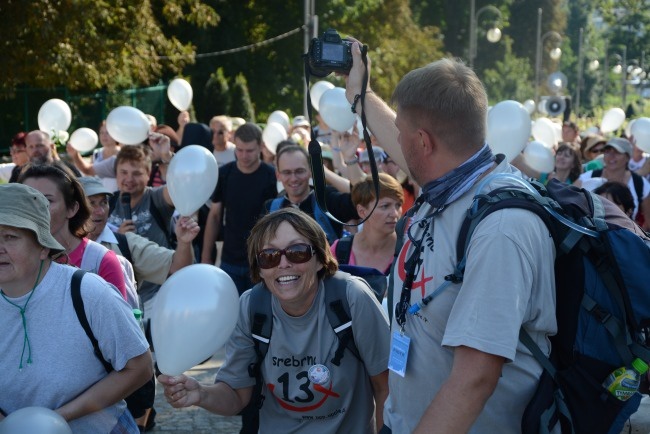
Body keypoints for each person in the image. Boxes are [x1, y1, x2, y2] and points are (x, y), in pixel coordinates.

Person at [344, 40, 557, 433]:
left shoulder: (501, 228)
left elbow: (474, 380)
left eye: (402, 132)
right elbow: (409, 144)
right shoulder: (451, 184)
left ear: (423, 142)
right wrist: (361, 94)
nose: (396, 143)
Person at [159, 207, 390, 433]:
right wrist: (200, 393)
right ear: (259, 269)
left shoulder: (351, 298)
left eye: (297, 251)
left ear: (320, 259)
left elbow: (385, 386)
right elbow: (237, 395)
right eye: (269, 256)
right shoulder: (251, 307)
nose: (283, 264)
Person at [0, 183, 152, 432]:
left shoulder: (88, 292)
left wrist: (57, 418)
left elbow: (140, 367)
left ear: (43, 247)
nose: (0, 247)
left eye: (10, 237)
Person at [18, 163, 128, 300]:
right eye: (28, 199)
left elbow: (116, 320)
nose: (35, 208)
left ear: (72, 209)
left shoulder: (100, 261)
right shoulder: (9, 259)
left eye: (47, 200)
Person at [79, 176, 198, 289]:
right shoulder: (62, 246)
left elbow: (177, 267)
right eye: (91, 203)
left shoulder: (126, 244)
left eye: (104, 202)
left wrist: (184, 242)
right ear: (73, 207)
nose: (100, 211)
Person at [201, 122, 277, 292]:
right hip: (230, 258)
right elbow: (214, 216)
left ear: (260, 147)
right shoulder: (225, 173)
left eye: (249, 151)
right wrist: (206, 257)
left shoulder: (271, 176)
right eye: (239, 150)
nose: (243, 155)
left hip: (262, 261)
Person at [106, 137, 176, 315]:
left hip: (157, 295)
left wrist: (165, 156)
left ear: (148, 174)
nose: (129, 179)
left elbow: (179, 187)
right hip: (119, 294)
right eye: (124, 172)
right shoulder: (107, 203)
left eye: (136, 173)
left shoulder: (156, 198)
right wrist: (120, 240)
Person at [265, 144, 358, 243]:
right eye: (287, 172)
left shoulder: (326, 200)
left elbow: (363, 199)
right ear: (278, 175)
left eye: (299, 171)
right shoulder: (271, 208)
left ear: (310, 171)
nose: (293, 179)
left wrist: (350, 159)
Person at [331, 173, 403, 274]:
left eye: (398, 205)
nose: (395, 213)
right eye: (385, 206)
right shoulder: (340, 250)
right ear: (362, 211)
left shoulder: (409, 250)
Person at [578, 137, 650, 229]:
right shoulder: (588, 177)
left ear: (628, 157)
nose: (611, 156)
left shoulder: (640, 184)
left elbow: (648, 223)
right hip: (591, 237)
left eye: (617, 152)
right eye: (608, 151)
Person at [66, 121, 121, 191]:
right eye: (101, 132)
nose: (104, 135)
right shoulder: (96, 154)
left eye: (107, 133)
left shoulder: (122, 155)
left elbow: (87, 169)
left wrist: (76, 155)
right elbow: (89, 174)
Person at [513, 142, 583, 186]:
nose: (561, 157)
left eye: (566, 156)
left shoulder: (575, 184)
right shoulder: (544, 176)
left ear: (573, 164)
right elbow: (520, 162)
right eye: (559, 154)